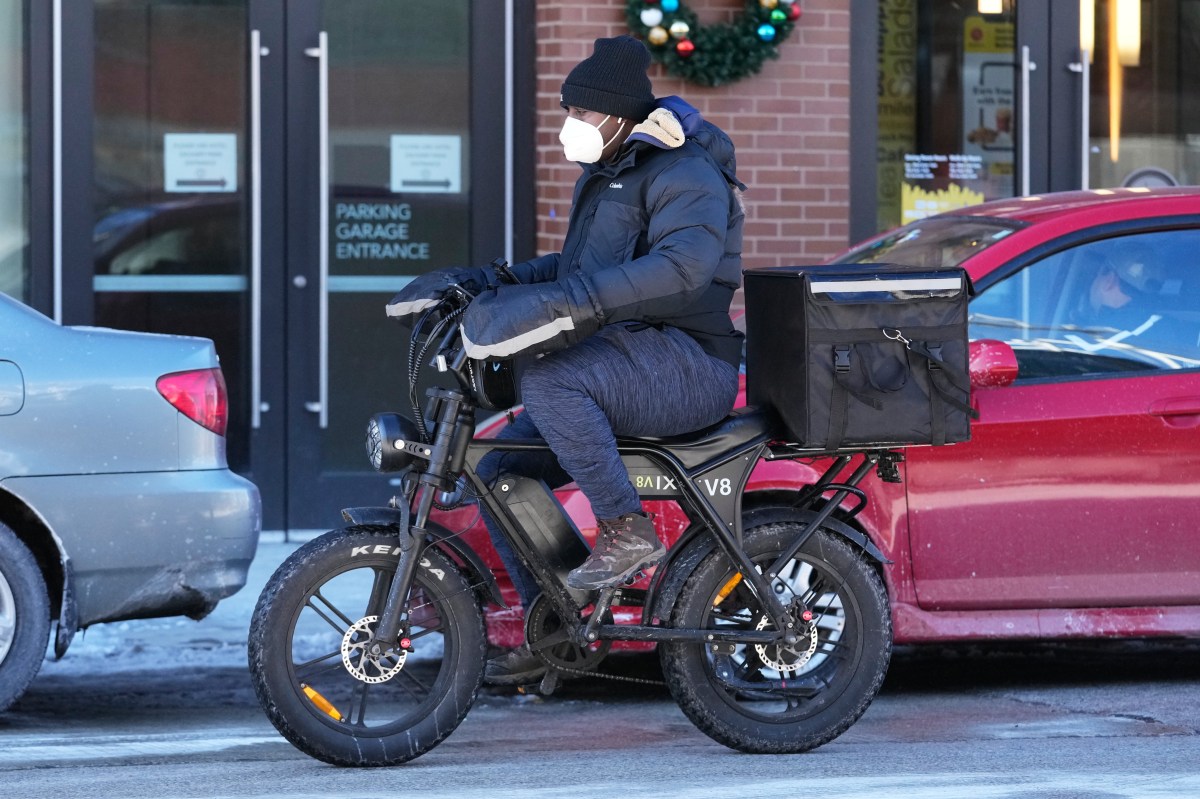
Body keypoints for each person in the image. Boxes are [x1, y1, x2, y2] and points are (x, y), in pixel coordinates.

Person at [385, 35, 745, 685]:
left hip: (690, 364)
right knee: (502, 470)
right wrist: (489, 280)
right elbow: (577, 269)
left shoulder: (684, 171)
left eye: (580, 115)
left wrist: (572, 301)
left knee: (551, 377)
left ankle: (626, 528)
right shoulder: (611, 173)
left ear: (614, 115)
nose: (570, 127)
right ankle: (558, 617)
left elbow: (683, 270)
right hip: (628, 356)